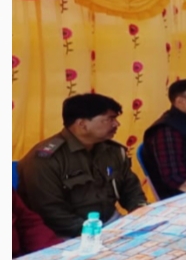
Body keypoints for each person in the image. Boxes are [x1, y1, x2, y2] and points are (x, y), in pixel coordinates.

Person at [18, 93, 148, 237]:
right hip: (67, 233)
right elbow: (51, 214)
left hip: (111, 223)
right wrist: (97, 233)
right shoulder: (45, 160)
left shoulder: (113, 151)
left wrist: (141, 214)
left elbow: (131, 190)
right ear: (82, 124)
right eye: (110, 119)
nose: (116, 124)